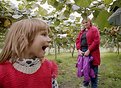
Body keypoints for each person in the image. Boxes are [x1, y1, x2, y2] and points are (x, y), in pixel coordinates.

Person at [0, 18, 58, 88]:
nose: (49, 39)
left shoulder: (49, 67)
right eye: (44, 34)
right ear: (22, 39)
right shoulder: (2, 71)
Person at [76, 18, 100, 88]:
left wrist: (89, 50)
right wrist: (78, 50)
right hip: (83, 52)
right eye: (83, 23)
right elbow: (77, 41)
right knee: (85, 69)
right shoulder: (82, 32)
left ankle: (94, 85)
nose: (85, 24)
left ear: (90, 22)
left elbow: (96, 41)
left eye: (86, 22)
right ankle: (85, 84)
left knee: (93, 70)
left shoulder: (94, 29)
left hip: (92, 52)